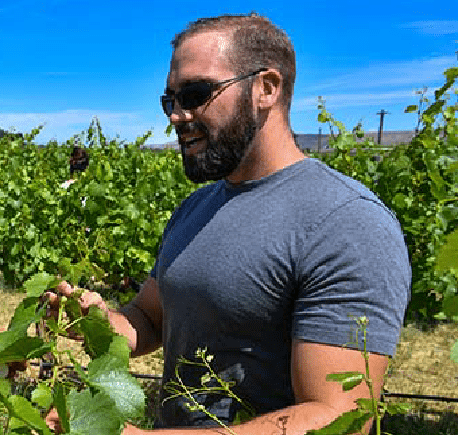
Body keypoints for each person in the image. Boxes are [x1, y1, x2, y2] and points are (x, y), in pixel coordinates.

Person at [47, 13, 410, 434]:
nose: (177, 115)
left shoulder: (345, 222)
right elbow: (149, 320)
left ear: (266, 89)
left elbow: (338, 419)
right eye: (170, 100)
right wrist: (94, 321)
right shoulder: (197, 208)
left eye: (196, 93)